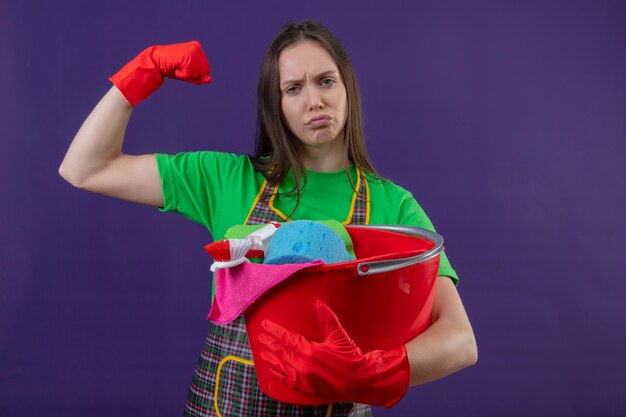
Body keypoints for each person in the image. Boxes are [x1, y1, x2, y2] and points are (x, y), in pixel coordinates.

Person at [59, 20, 477, 417]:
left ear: (347, 88)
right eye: (293, 88)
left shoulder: (394, 207)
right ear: (275, 105)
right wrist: (143, 71)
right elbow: (85, 168)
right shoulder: (226, 181)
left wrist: (373, 373)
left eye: (326, 81)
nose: (314, 100)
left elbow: (460, 341)